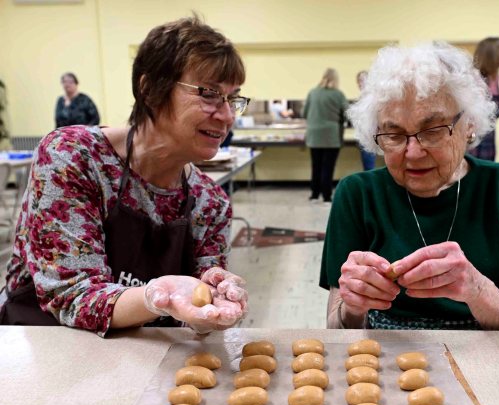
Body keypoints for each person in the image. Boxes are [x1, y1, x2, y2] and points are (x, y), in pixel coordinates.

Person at [0, 16, 250, 336]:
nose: (227, 115)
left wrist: (212, 305)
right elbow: (69, 294)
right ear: (150, 90)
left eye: (233, 98)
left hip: (144, 364)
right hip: (47, 350)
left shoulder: (210, 201)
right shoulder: (75, 158)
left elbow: (200, 303)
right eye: (209, 93)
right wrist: (156, 297)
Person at [320, 42, 499, 331]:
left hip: (486, 357)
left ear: (469, 124)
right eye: (393, 134)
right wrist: (353, 307)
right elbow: (336, 325)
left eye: (433, 131)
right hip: (384, 361)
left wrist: (477, 290)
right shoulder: (356, 193)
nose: (413, 152)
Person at [303, 68, 349, 203]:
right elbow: (347, 114)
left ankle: (314, 194)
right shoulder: (338, 94)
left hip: (314, 136)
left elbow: (304, 113)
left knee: (316, 165)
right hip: (331, 136)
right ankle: (327, 196)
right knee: (328, 167)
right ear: (336, 80)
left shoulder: (312, 93)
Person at [468, 37, 499, 161]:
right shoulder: (476, 78)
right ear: (492, 54)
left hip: (488, 138)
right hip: (475, 141)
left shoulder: (494, 78)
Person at [356, 71, 376, 171]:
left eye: (363, 80)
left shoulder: (373, 96)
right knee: (367, 164)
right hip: (363, 135)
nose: (361, 83)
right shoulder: (361, 97)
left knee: (369, 165)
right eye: (359, 80)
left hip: (370, 135)